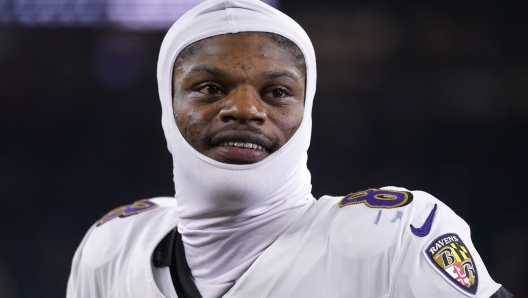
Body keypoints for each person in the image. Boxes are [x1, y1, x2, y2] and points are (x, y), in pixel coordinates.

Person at [66, 0, 513, 297]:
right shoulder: (112, 248)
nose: (244, 109)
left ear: (308, 106)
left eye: (276, 92)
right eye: (209, 87)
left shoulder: (394, 237)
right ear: (168, 104)